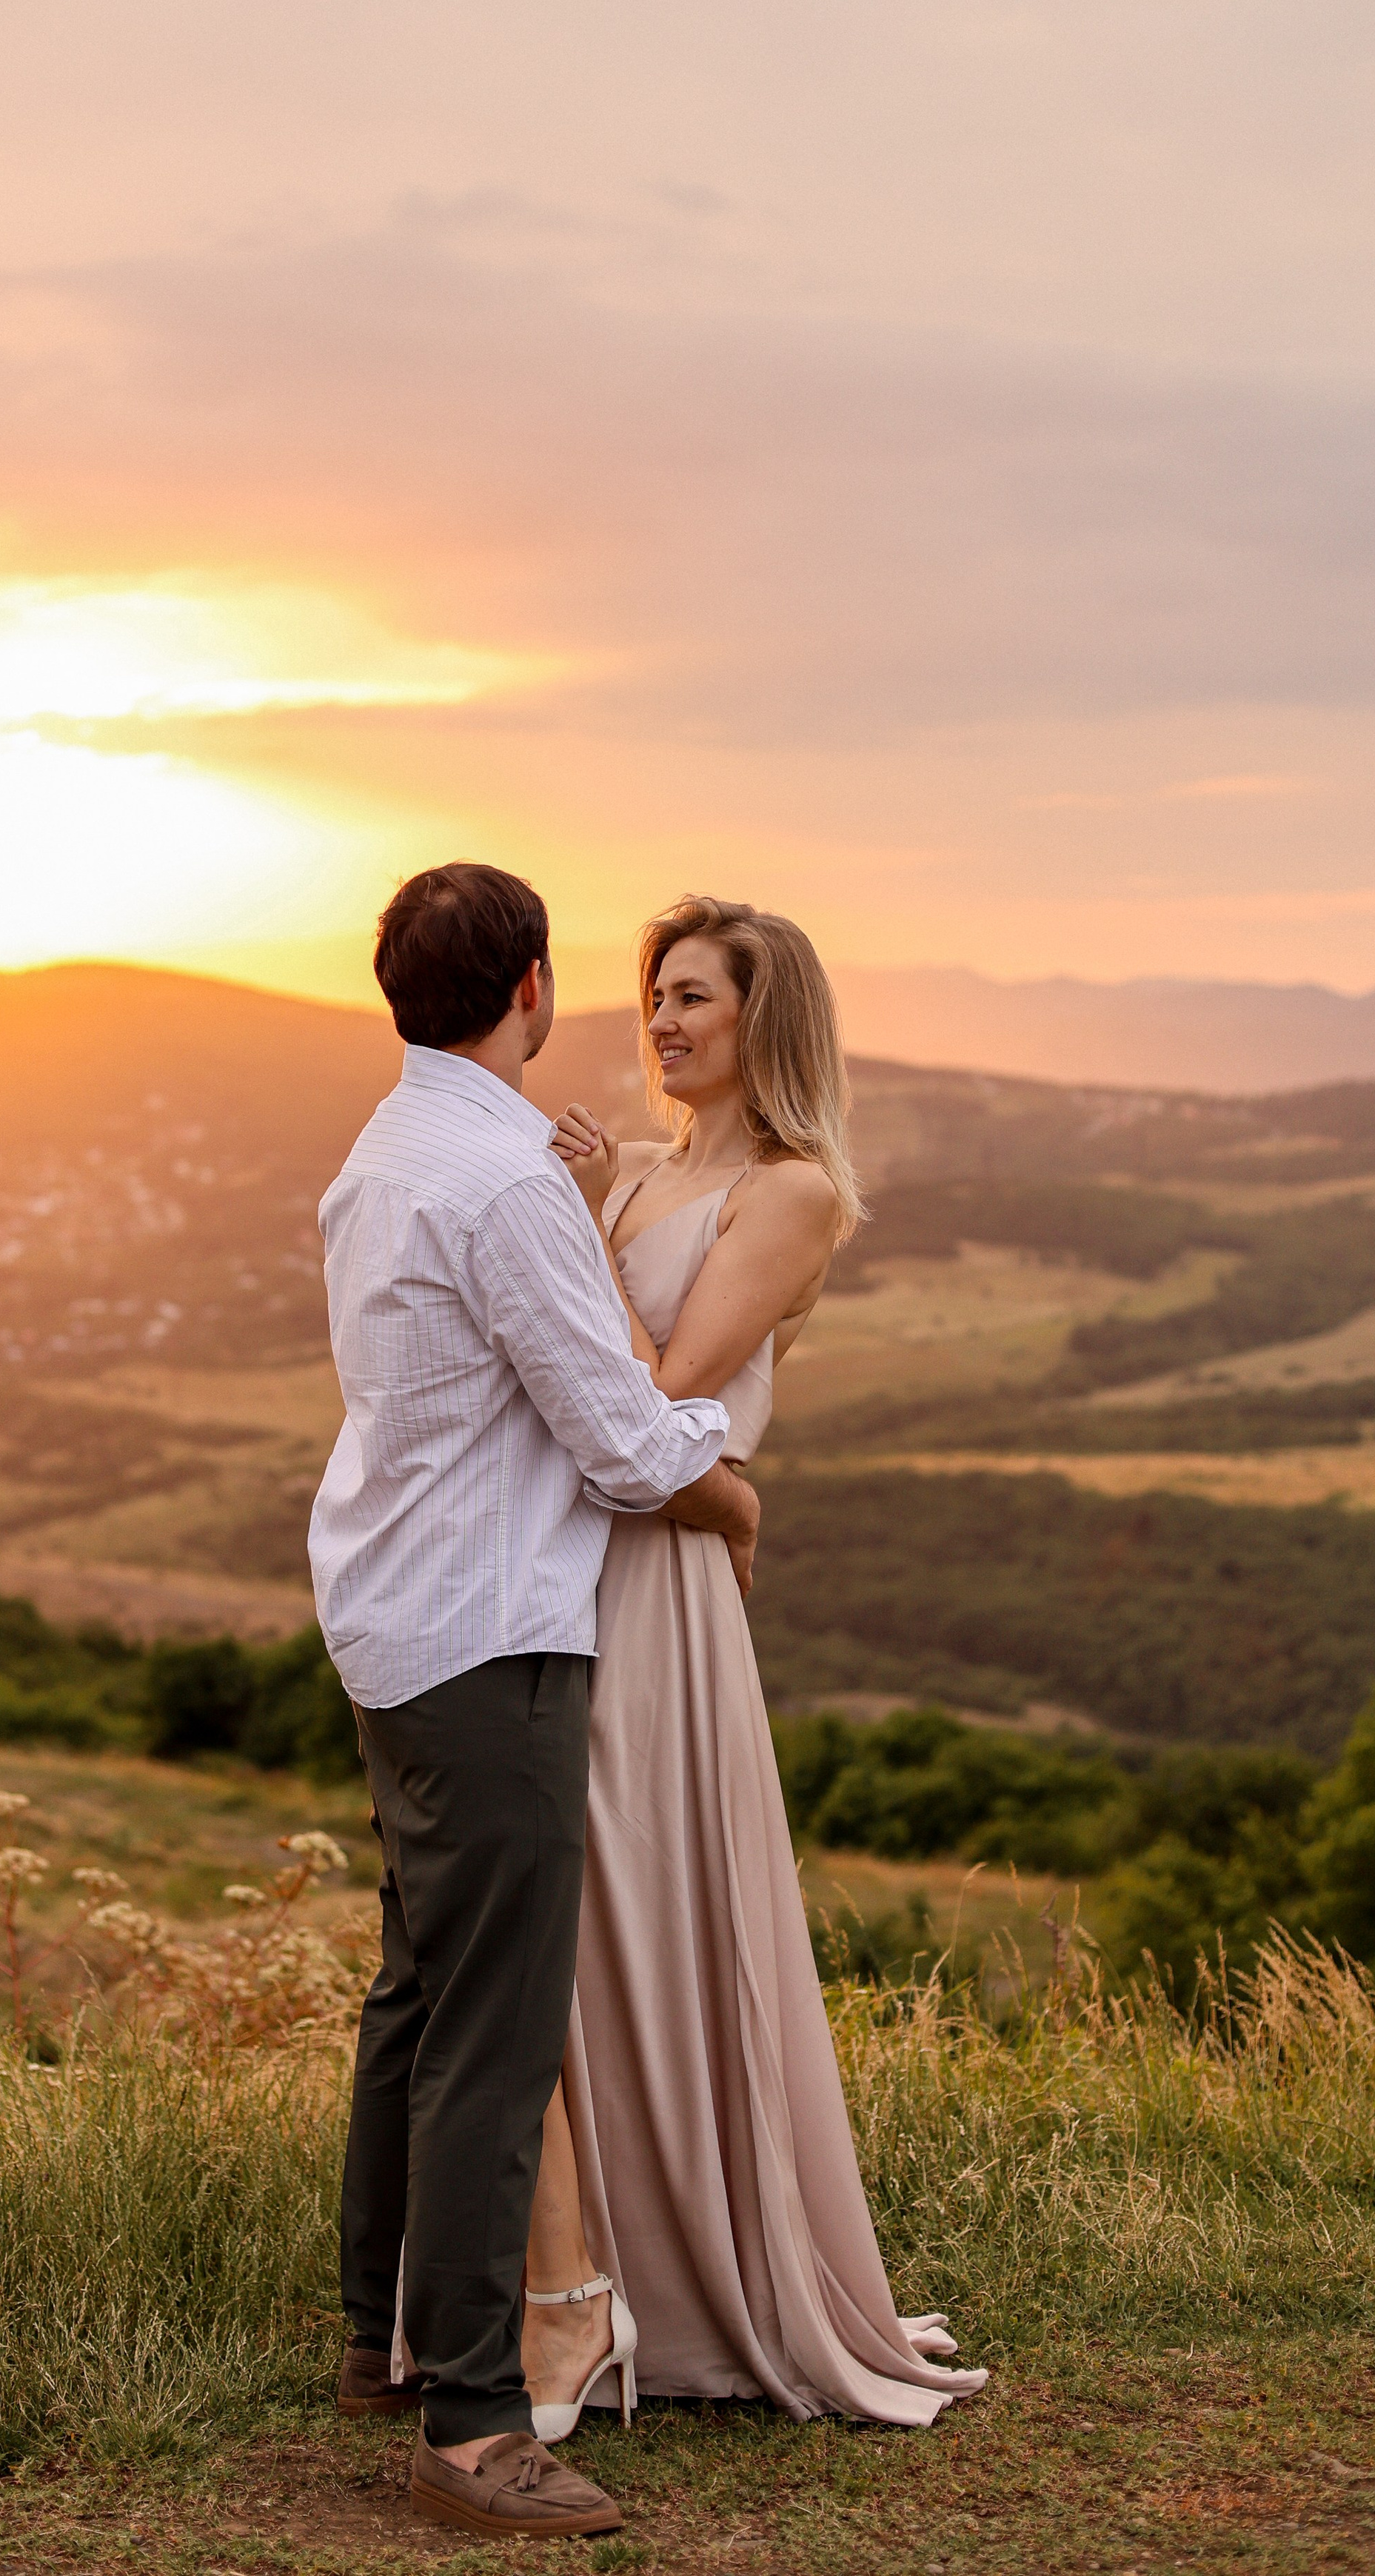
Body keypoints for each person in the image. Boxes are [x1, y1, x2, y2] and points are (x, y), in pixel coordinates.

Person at [310, 862, 763, 2541]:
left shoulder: (383, 1151)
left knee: (418, 1994)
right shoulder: (502, 1178)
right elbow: (618, 1433)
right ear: (532, 989)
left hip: (390, 1614)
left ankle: (379, 2339)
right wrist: (732, 1484)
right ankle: (478, 2423)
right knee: (494, 2036)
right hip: (487, 1635)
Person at [519, 893, 988, 2437]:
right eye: (653, 995)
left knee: (652, 1899)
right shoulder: (645, 1173)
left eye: (694, 1001)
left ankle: (704, 2285)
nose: (659, 1022)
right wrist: (587, 1212)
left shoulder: (790, 1195)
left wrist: (720, 1484)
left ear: (760, 1020)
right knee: (581, 1921)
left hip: (656, 1585)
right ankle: (584, 2279)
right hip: (586, 1562)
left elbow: (652, 1394)